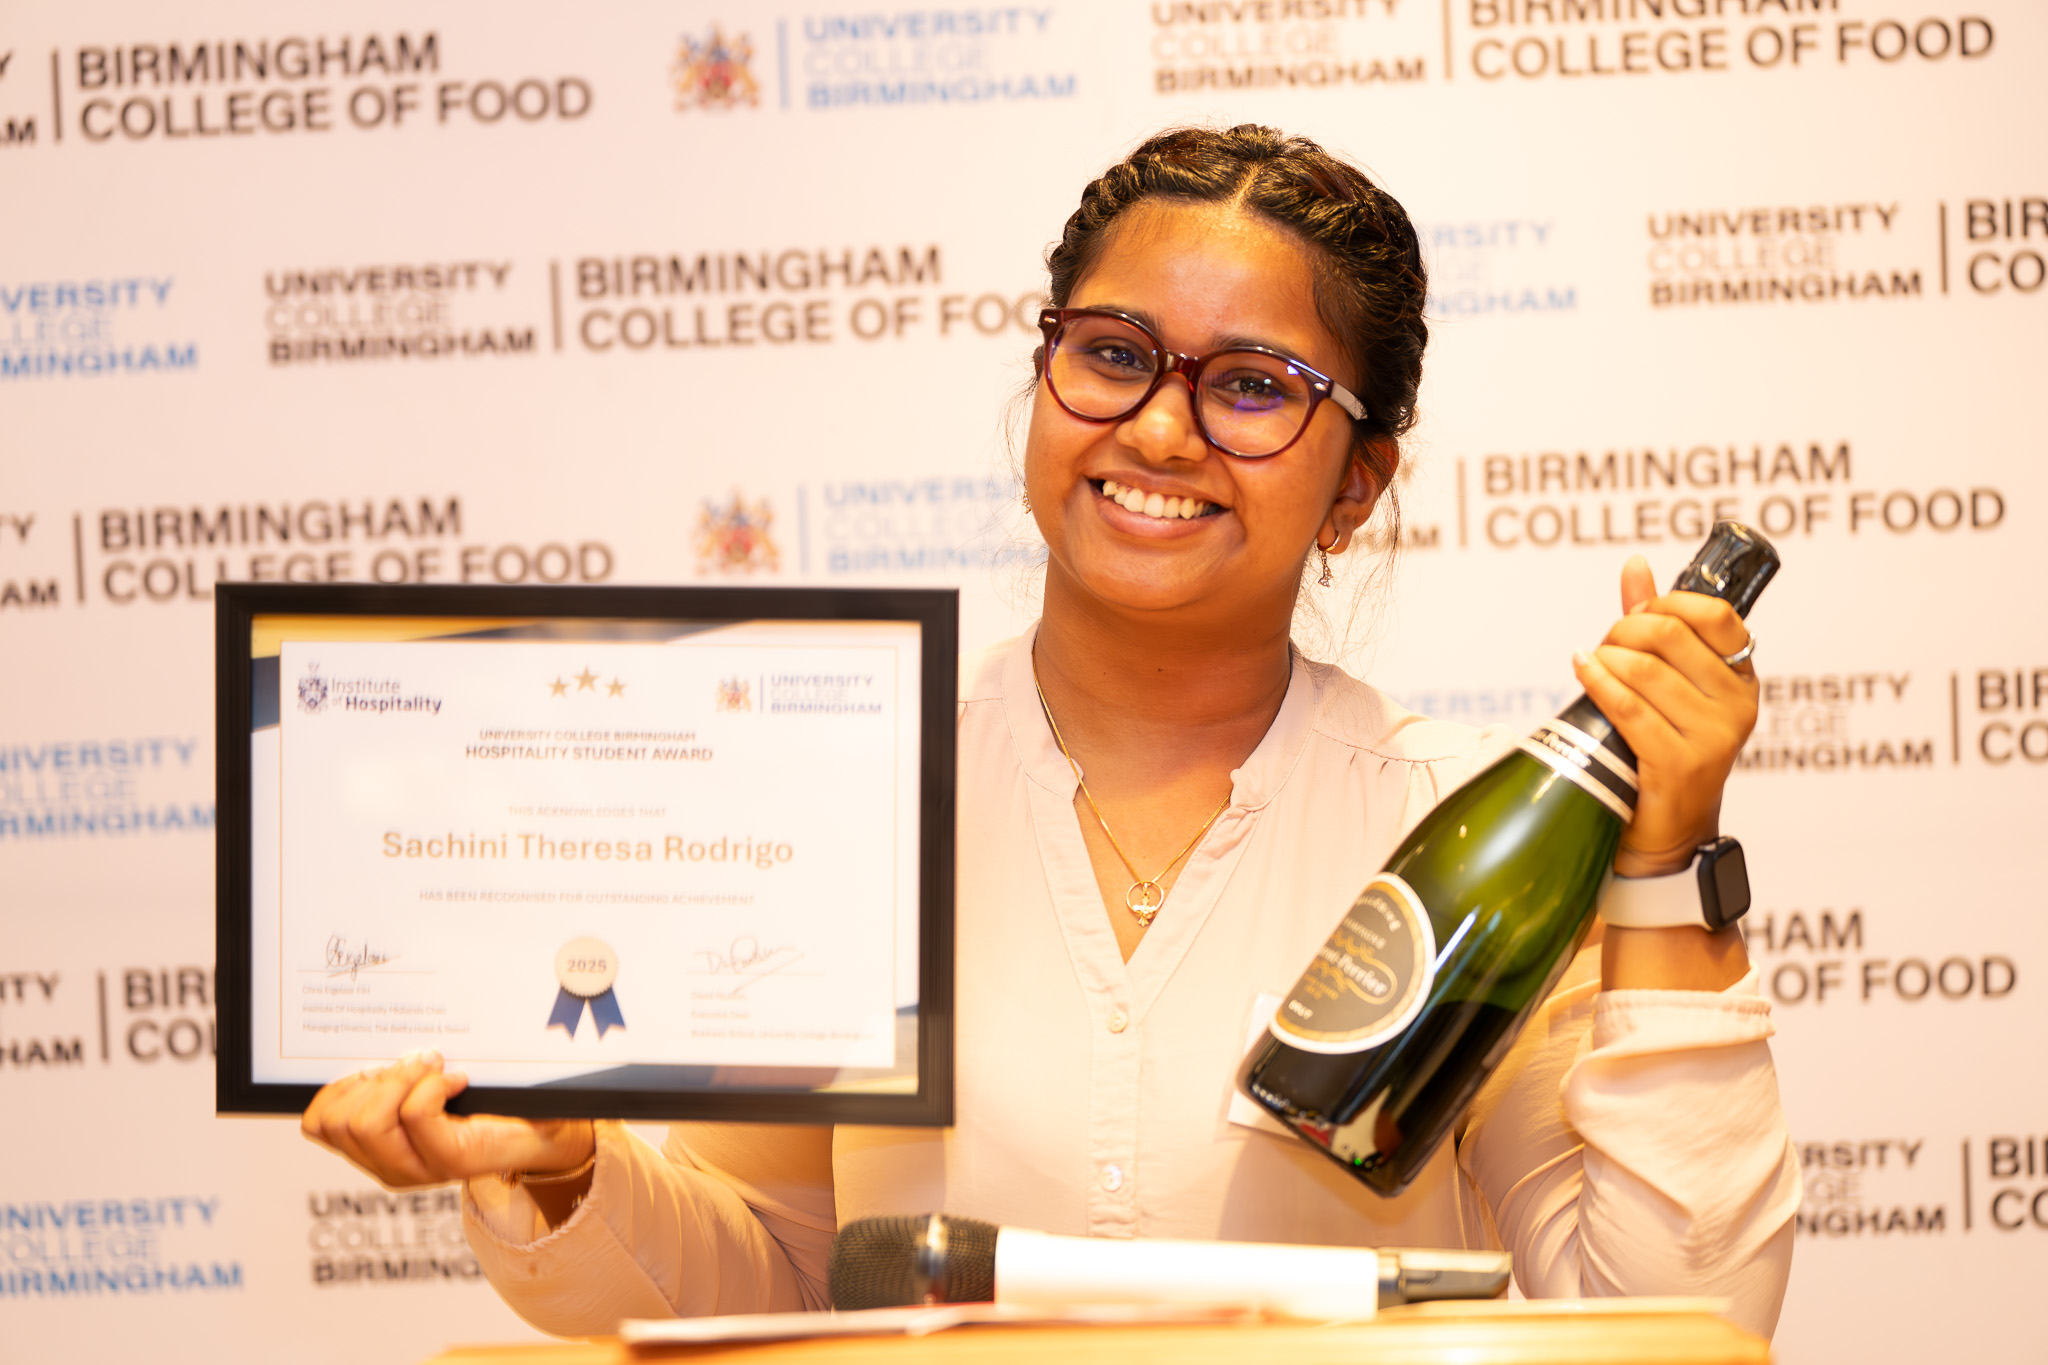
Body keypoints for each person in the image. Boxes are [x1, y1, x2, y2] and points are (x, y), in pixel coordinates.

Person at [302, 125, 1799, 1338]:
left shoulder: (1444, 829)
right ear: (1044, 379)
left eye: (1256, 388)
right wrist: (563, 1168)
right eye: (1111, 353)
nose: (1158, 429)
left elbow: (1670, 1319)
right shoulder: (852, 795)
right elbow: (762, 1285)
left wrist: (1666, 853)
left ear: (1358, 485)